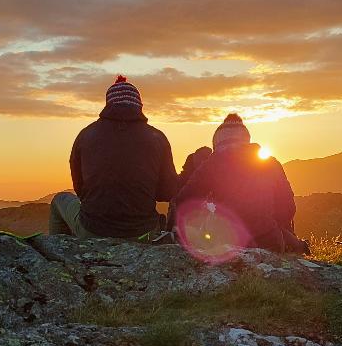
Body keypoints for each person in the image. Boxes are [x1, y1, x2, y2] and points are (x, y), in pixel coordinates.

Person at [50, 75, 178, 239]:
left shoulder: (86, 135)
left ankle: (62, 250)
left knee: (59, 200)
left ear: (108, 104)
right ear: (139, 105)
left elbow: (80, 188)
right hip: (142, 232)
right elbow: (167, 192)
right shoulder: (157, 137)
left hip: (93, 230)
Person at [173, 114, 306, 253]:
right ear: (246, 140)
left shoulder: (211, 164)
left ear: (217, 142)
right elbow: (288, 208)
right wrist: (269, 224)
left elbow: (184, 200)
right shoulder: (269, 163)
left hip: (226, 244)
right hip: (269, 242)